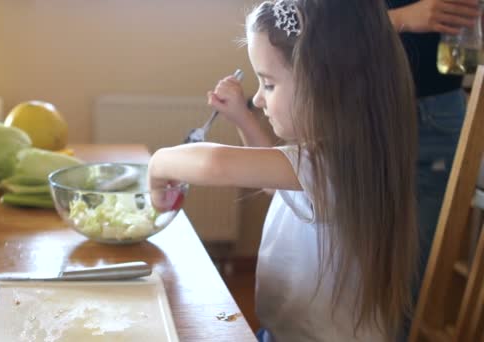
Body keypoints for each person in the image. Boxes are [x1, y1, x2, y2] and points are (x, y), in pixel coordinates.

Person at [147, 0, 419, 341]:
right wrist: (243, 119)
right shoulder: (352, 153)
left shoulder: (329, 164)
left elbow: (214, 164)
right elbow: (281, 188)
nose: (259, 99)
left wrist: (158, 165)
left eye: (269, 84)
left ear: (325, 84)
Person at [387, 0, 480, 297]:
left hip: (441, 110)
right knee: (359, 269)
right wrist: (403, 18)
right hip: (365, 110)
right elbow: (318, 27)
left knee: (414, 281)